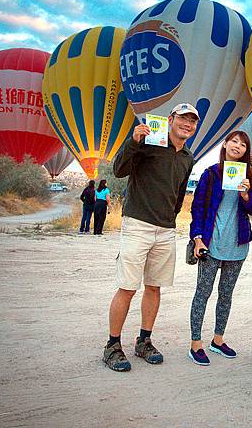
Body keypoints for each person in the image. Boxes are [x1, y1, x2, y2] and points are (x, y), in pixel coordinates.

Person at [102, 103, 199, 372]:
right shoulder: (147, 142)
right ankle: (112, 345)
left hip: (166, 229)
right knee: (128, 287)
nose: (187, 124)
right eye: (183, 118)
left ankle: (144, 341)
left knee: (154, 287)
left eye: (192, 120)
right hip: (138, 225)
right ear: (170, 119)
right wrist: (133, 141)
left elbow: (179, 194)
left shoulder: (188, 158)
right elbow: (119, 170)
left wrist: (171, 217)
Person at [188, 131, 252, 366]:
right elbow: (197, 208)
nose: (238, 146)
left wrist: (246, 194)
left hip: (237, 246)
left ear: (246, 151)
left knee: (226, 295)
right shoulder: (210, 174)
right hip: (211, 245)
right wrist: (198, 238)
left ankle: (217, 340)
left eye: (243, 144)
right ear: (226, 144)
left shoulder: (250, 177)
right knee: (203, 292)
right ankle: (195, 344)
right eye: (234, 141)